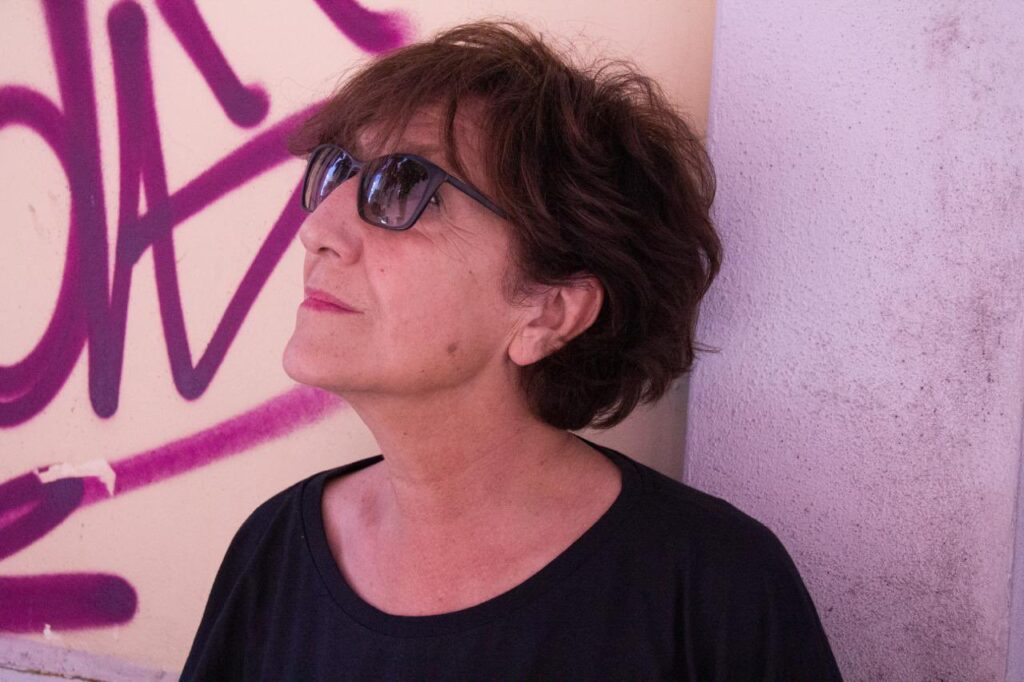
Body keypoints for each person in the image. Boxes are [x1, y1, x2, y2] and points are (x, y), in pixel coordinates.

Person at [181, 20, 843, 681]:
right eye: (335, 171)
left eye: (405, 188)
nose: (319, 229)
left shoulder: (711, 593)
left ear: (550, 311)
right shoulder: (274, 551)